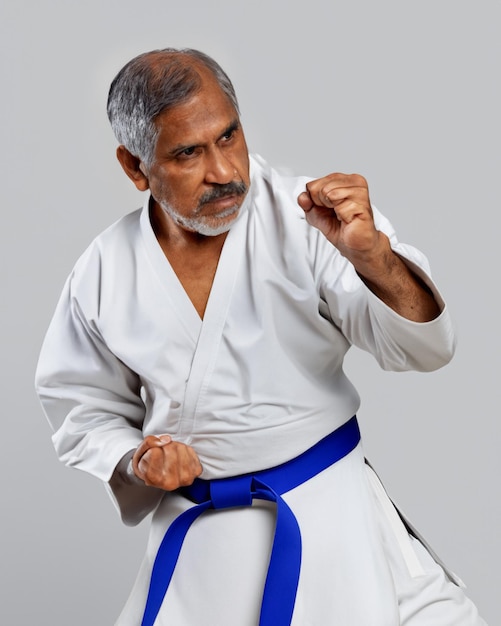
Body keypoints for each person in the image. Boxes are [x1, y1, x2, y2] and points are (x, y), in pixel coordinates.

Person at [35, 47, 486, 625]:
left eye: (228, 136)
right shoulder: (103, 272)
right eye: (188, 153)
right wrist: (137, 461)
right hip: (201, 541)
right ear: (135, 166)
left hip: (333, 516)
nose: (223, 171)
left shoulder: (313, 219)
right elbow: (81, 409)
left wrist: (375, 258)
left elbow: (425, 349)